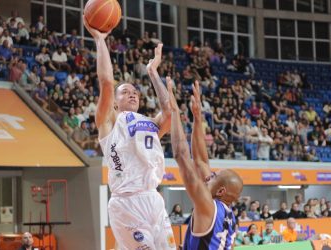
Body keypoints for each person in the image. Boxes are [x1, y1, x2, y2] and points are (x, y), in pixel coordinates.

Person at [84, 17, 175, 250]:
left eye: (135, 91)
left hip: (153, 198)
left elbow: (168, 112)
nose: (133, 94)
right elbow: (106, 82)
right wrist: (100, 41)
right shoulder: (110, 122)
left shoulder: (149, 123)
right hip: (126, 202)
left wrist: (152, 72)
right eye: (125, 92)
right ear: (115, 102)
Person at [169, 79, 243, 249]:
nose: (210, 174)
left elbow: (181, 155)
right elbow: (201, 160)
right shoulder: (230, 215)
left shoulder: (208, 206)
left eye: (214, 176)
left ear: (221, 190)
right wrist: (197, 117)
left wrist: (174, 111)